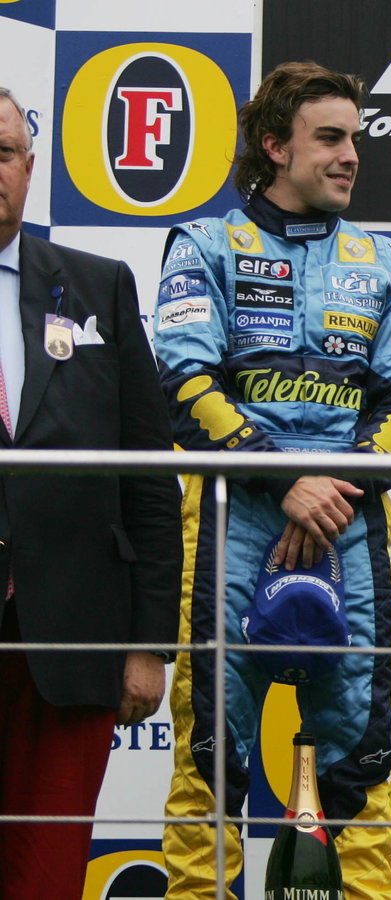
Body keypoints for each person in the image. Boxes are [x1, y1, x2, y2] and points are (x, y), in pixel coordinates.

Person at [154, 63, 391, 900]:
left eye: (356, 139)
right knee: (211, 764)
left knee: (358, 760)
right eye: (330, 138)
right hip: (234, 520)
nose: (351, 156)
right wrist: (287, 482)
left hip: (349, 526)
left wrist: (329, 490)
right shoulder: (203, 246)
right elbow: (184, 384)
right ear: (274, 146)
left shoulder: (386, 263)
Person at [0, 86, 181, 900]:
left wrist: (148, 645)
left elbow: (149, 476)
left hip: (68, 640)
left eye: (3, 153)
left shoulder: (99, 285)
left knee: (42, 880)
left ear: (30, 169)